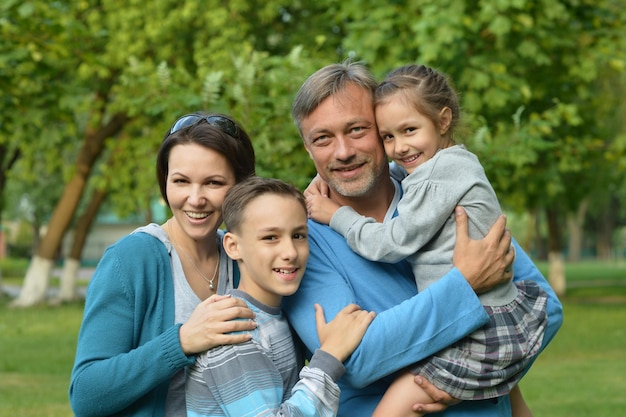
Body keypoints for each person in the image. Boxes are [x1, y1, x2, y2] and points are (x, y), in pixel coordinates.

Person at [282, 61, 563, 417]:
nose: (343, 152)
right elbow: (357, 358)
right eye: (322, 138)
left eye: (357, 130)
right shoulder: (303, 243)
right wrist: (464, 286)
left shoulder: (441, 194)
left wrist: (477, 380)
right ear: (308, 150)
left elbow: (545, 310)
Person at [69, 112, 258, 417]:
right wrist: (181, 342)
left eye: (213, 182)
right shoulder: (131, 260)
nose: (195, 199)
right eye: (181, 181)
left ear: (240, 187)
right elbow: (87, 394)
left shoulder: (244, 258)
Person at [186, 176, 376, 417]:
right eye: (270, 237)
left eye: (298, 235)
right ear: (233, 246)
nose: (290, 252)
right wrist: (330, 355)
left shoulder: (278, 314)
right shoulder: (233, 332)